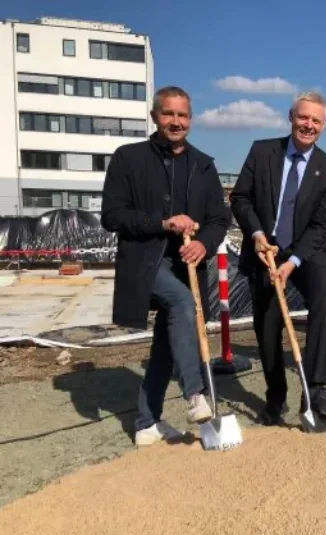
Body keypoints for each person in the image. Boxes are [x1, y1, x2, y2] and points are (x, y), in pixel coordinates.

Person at [101, 86, 230, 446]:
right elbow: (112, 215)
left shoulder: (203, 165)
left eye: (182, 115)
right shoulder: (128, 158)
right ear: (154, 116)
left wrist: (204, 243)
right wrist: (162, 223)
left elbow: (219, 219)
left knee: (165, 345)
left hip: (187, 264)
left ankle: (147, 423)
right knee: (181, 302)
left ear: (191, 119)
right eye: (169, 114)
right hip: (145, 261)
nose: (176, 121)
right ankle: (195, 394)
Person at [229, 91, 326, 426]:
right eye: (303, 117)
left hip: (305, 252)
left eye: (315, 121)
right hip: (264, 247)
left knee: (323, 298)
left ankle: (315, 389)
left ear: (324, 125)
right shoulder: (262, 152)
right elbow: (240, 198)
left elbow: (321, 225)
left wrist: (292, 263)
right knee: (268, 323)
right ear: (291, 117)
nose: (308, 125)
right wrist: (256, 234)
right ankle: (275, 396)